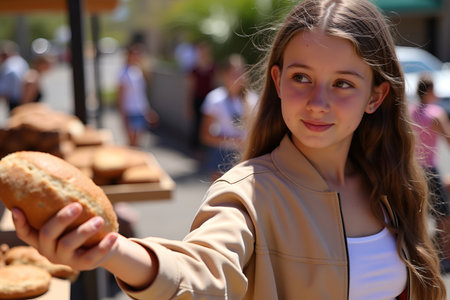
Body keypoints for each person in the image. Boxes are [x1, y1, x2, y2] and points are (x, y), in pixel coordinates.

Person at [11, 0, 446, 299]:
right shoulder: (248, 193)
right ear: (276, 82)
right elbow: (202, 271)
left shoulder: (390, 185)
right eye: (301, 78)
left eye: (343, 84)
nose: (318, 101)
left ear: (376, 97)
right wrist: (113, 252)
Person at [409, 73, 450, 268]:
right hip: (430, 170)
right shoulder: (436, 113)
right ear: (430, 91)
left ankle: (418, 255)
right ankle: (446, 258)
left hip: (413, 169)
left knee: (418, 214)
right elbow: (448, 140)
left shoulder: (410, 111)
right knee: (443, 215)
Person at [199, 54, 258, 179]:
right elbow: (205, 136)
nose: (238, 78)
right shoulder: (215, 99)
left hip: (246, 155)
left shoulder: (253, 100)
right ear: (224, 75)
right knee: (219, 196)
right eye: (233, 73)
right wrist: (231, 141)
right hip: (221, 155)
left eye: (240, 73)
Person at [117, 43, 159, 147]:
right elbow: (121, 95)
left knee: (138, 143)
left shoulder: (138, 71)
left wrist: (148, 110)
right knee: (131, 143)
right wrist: (123, 114)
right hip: (130, 110)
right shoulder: (123, 73)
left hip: (140, 110)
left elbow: (141, 94)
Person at [185, 41, 216, 154]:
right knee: (196, 124)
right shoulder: (194, 68)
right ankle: (195, 149)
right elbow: (190, 88)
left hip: (208, 100)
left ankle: (205, 149)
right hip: (197, 99)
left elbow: (215, 83)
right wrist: (188, 105)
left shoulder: (212, 67)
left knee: (207, 125)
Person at [0, 40, 29, 112]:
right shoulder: (21, 60)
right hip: (24, 97)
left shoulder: (9, 63)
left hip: (15, 99)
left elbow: (12, 74)